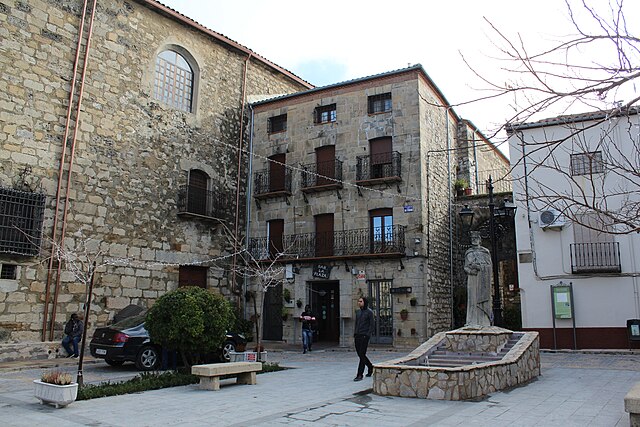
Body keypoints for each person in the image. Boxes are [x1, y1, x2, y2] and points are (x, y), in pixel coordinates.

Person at [464, 231, 493, 327]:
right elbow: (466, 267)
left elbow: (489, 266)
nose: (474, 240)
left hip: (482, 279)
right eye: (472, 239)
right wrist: (471, 270)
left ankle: (483, 321)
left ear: (480, 240)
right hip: (472, 279)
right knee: (472, 300)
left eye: (476, 238)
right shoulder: (469, 252)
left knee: (482, 299)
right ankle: (472, 322)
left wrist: (480, 267)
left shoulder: (485, 252)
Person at [353, 296, 374, 381]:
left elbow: (372, 325)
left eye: (361, 301)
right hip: (357, 335)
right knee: (360, 354)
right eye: (358, 301)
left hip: (364, 336)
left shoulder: (369, 312)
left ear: (364, 302)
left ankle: (359, 374)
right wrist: (355, 333)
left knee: (362, 354)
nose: (359, 303)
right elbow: (356, 323)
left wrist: (367, 335)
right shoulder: (358, 312)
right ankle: (370, 366)